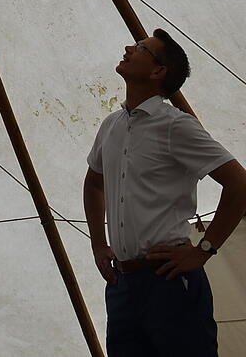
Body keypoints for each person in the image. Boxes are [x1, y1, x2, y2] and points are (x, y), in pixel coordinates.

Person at [83, 28, 246, 356]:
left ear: (158, 71)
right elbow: (94, 182)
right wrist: (99, 244)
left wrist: (203, 250)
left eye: (142, 48)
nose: (129, 47)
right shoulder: (111, 125)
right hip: (122, 283)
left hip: (168, 280)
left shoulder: (176, 126)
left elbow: (239, 183)